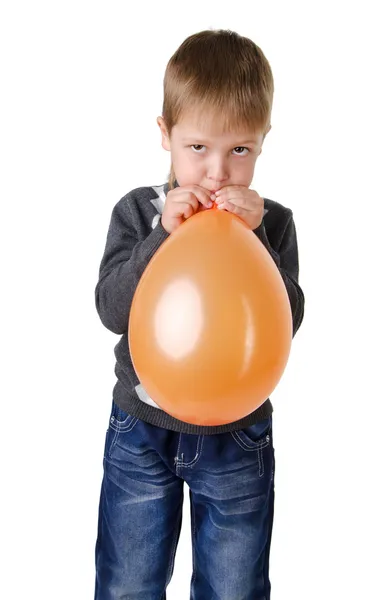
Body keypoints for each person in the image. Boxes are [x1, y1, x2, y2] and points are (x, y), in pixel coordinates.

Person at [94, 28, 305, 600]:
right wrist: (161, 239)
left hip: (237, 438)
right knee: (126, 583)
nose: (217, 172)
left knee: (234, 586)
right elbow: (112, 309)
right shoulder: (140, 213)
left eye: (240, 150)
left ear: (262, 141)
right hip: (141, 427)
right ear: (165, 135)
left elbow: (289, 318)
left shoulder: (273, 222)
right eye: (198, 149)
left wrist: (254, 234)